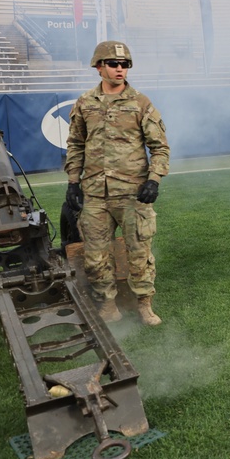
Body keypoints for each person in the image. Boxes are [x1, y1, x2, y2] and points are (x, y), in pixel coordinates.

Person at [65, 40, 170, 326]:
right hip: (95, 194)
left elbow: (159, 147)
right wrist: (73, 182)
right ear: (99, 67)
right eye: (113, 64)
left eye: (124, 65)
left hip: (133, 193)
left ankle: (144, 304)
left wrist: (154, 180)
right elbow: (75, 144)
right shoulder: (85, 103)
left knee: (139, 253)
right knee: (95, 255)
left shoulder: (141, 103)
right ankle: (108, 305)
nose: (120, 69)